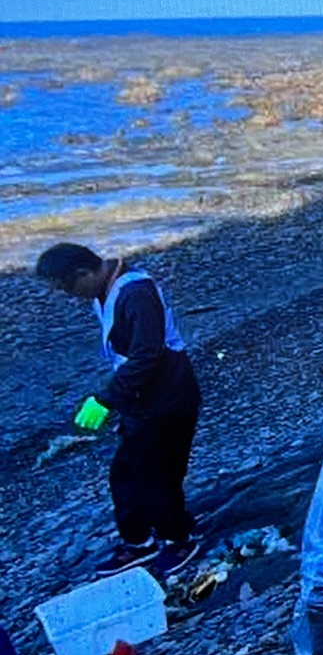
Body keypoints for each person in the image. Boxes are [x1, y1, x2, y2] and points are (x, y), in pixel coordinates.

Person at [35, 244, 202, 577]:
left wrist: (107, 398)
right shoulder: (106, 292)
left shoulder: (135, 293)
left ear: (85, 273)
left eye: (67, 287)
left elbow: (148, 354)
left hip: (167, 399)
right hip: (141, 401)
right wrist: (121, 402)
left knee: (157, 475)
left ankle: (179, 539)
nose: (69, 295)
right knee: (126, 473)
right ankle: (139, 542)